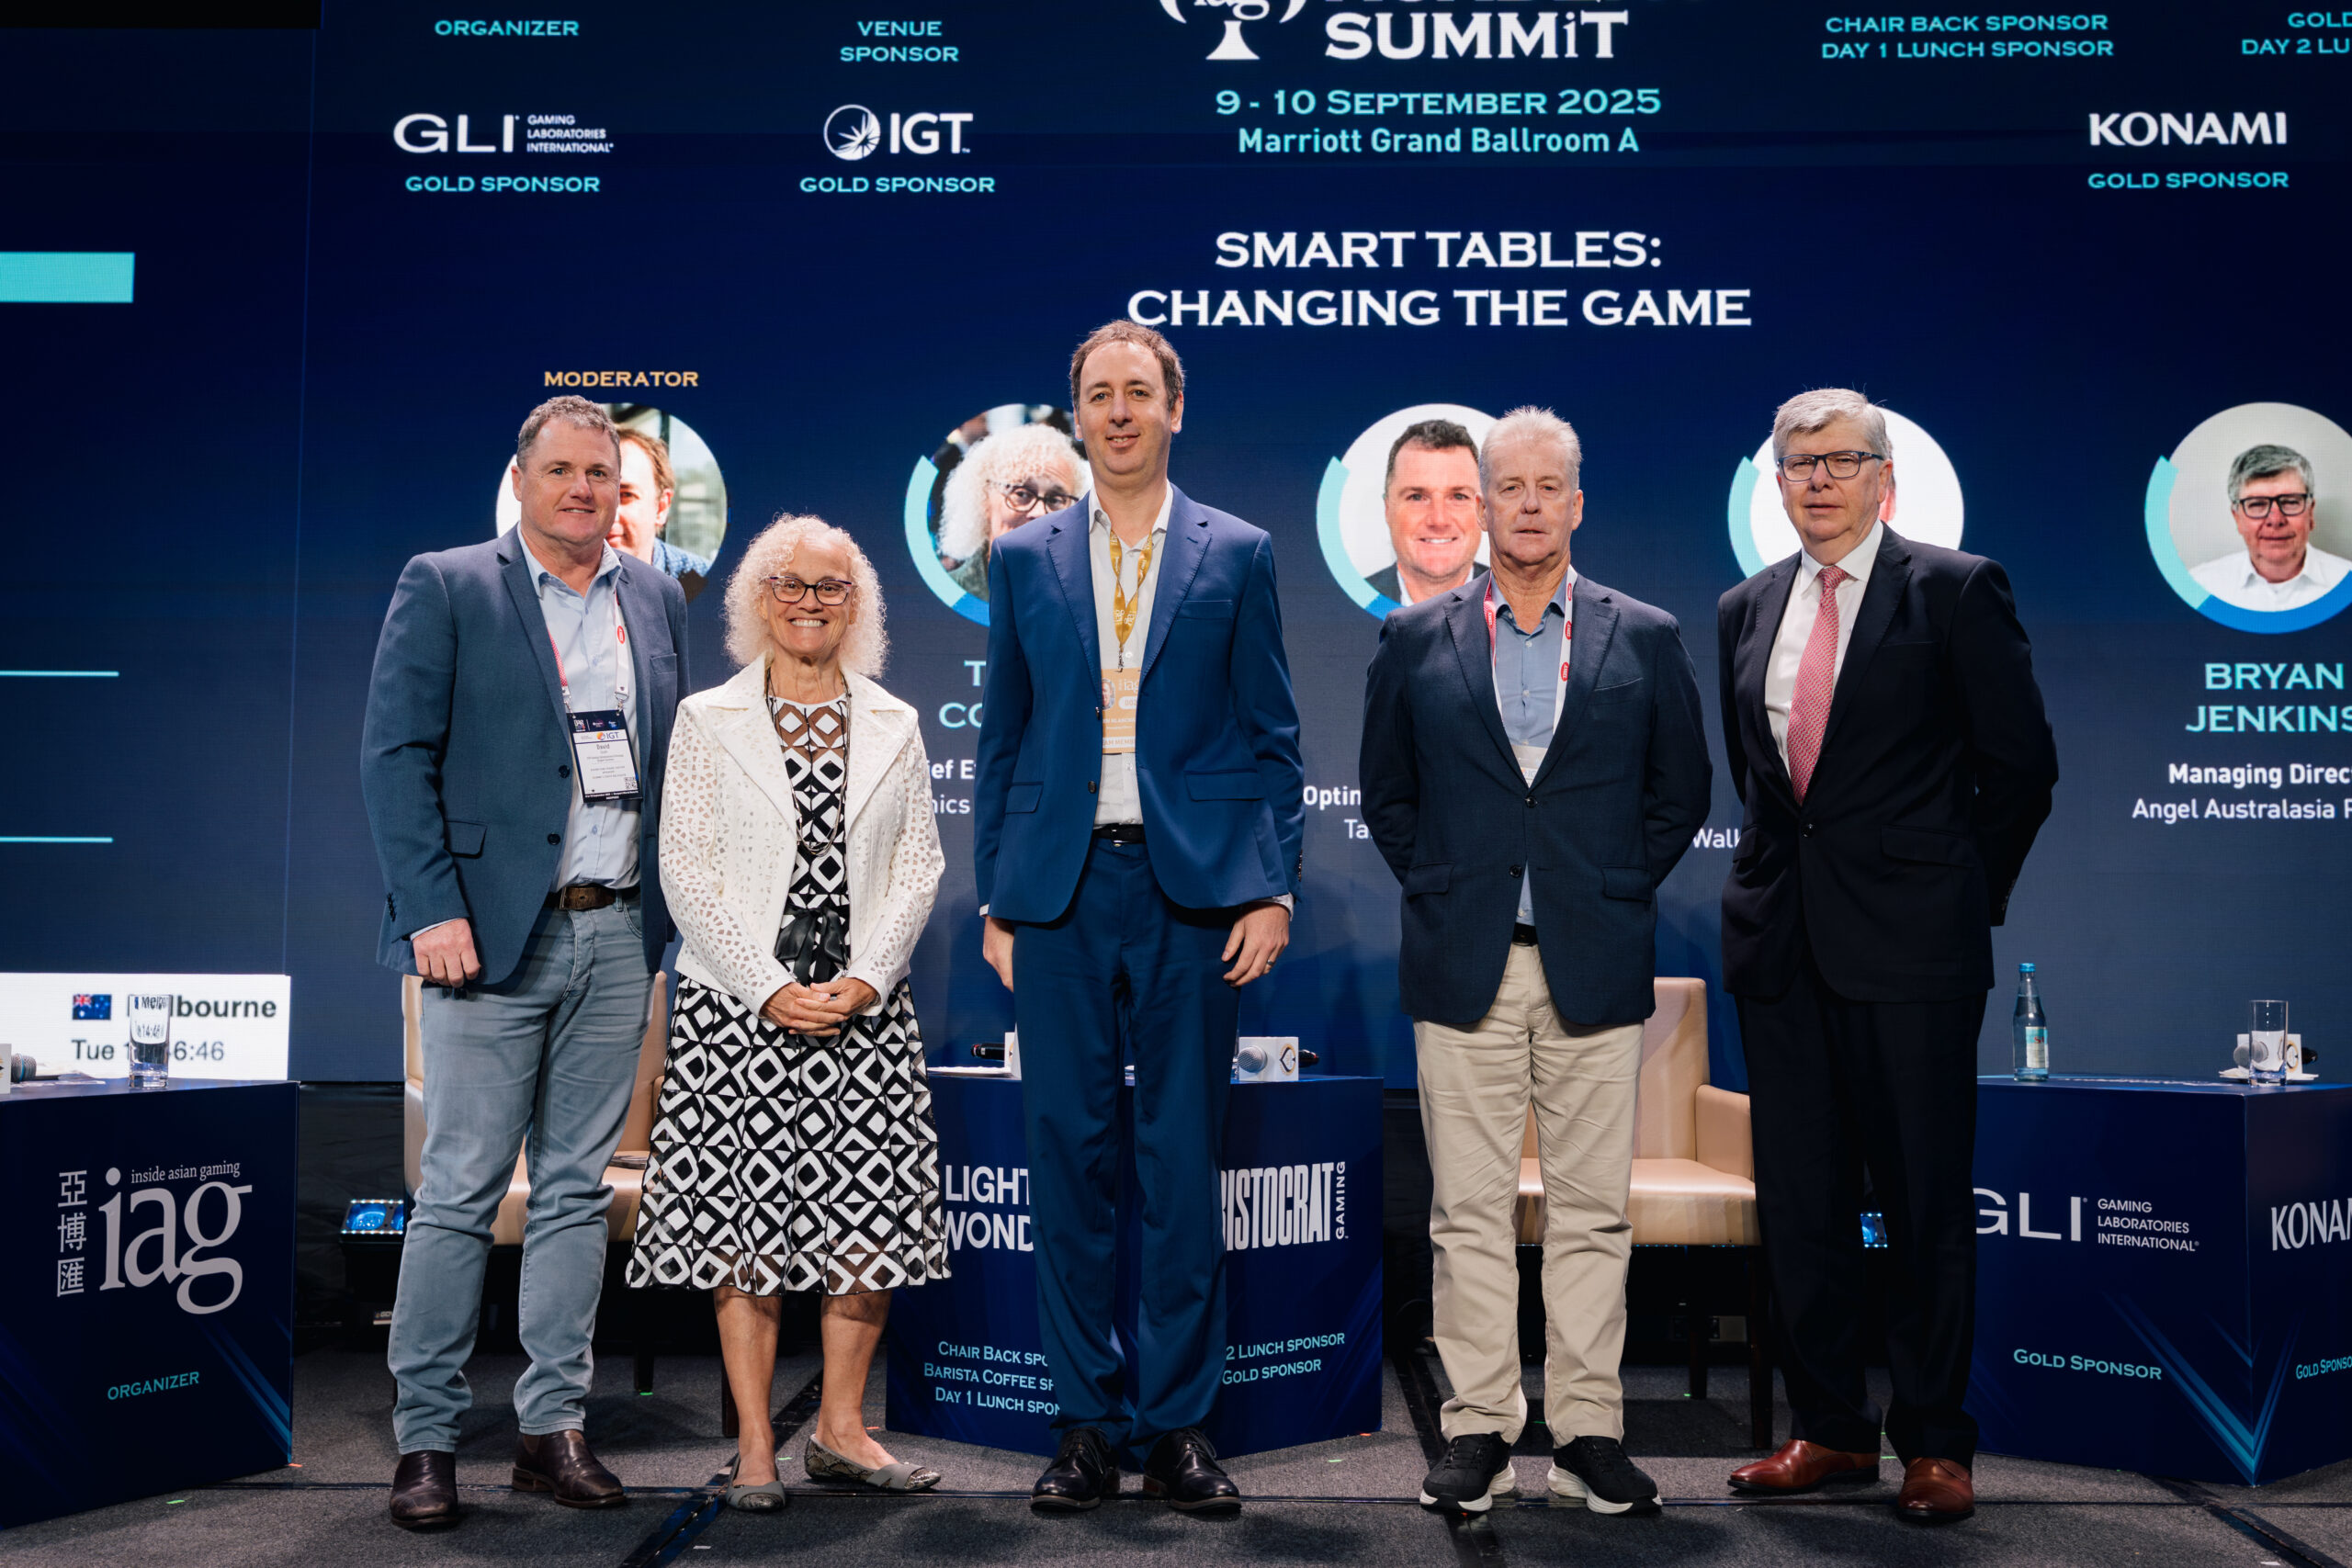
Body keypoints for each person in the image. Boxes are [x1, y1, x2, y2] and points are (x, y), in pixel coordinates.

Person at [973, 320, 1304, 1517]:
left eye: (1137, 392)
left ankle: (1175, 1428)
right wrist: (999, 896)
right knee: (1067, 1162)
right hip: (1058, 897)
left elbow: (1271, 737)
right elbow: (1003, 739)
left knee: (1179, 1164)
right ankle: (1083, 1426)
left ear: (1174, 407)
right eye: (1098, 395)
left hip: (1193, 897)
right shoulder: (1024, 558)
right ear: (1078, 415)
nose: (1117, 411)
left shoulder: (1239, 551)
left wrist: (1273, 885)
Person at [1360, 407, 1711, 1518]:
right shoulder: (1413, 638)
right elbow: (1389, 797)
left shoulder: (1641, 634)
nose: (1523, 504)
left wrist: (1607, 886)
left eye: (1544, 486)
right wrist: (1449, 886)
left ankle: (1588, 1435)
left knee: (1591, 1213)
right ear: (1482, 504)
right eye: (1503, 485)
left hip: (1592, 963)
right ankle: (1476, 1431)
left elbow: (1680, 794)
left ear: (1575, 504)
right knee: (1465, 1214)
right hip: (1462, 961)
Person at [1716, 389, 2057, 1524]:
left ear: (1881, 477)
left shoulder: (1956, 589)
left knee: (1922, 1203)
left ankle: (1934, 1442)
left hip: (1914, 952)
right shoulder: (1743, 606)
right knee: (1801, 1203)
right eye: (1797, 463)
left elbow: (2020, 768)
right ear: (1776, 482)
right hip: (1782, 947)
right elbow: (1767, 789)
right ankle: (1827, 1429)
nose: (1817, 479)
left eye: (1839, 460)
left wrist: (1954, 897)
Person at [361, 395, 689, 1530]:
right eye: (561, 471)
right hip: (484, 937)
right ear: (522, 480)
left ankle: (554, 1430)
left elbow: (666, 758)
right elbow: (395, 758)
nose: (583, 491)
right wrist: (429, 911)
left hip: (617, 932)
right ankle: (427, 1440)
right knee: (457, 1194)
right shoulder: (447, 583)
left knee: (573, 1195)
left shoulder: (652, 594)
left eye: (601, 475)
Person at [628, 515, 948, 1509]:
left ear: (858, 605)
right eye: (791, 584)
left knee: (868, 1228)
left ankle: (843, 1432)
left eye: (831, 586)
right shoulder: (707, 718)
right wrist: (766, 983)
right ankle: (759, 1443)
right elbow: (683, 866)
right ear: (757, 600)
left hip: (864, 1013)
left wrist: (868, 977)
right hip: (738, 1013)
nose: (810, 602)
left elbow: (919, 865)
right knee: (746, 1236)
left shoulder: (895, 720)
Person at [2188, 444, 2347, 612]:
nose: (2275, 520)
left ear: (2310, 513)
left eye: (2290, 502)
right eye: (2257, 504)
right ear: (2237, 518)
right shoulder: (2199, 587)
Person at [938, 421, 1085, 601]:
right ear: (983, 499)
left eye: (1055, 499)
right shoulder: (943, 597)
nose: (1040, 513)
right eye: (1022, 494)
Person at [1366, 419, 1485, 609]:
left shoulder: (1523, 604)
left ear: (1483, 510)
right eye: (1416, 497)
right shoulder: (1342, 606)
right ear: (1388, 509)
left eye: (1458, 496)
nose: (1439, 520)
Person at [611, 425, 714, 586]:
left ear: (661, 507)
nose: (608, 516)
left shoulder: (707, 583)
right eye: (594, 497)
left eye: (626, 495)